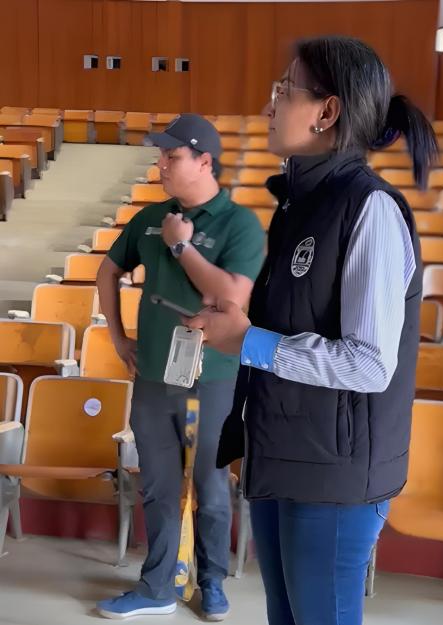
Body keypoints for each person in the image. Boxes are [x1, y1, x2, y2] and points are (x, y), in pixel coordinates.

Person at [185, 36, 438, 625]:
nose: (268, 106)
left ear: (327, 111)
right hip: (286, 452)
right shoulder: (298, 205)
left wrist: (247, 341)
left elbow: (370, 363)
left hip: (335, 473)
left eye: (283, 91)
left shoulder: (369, 208)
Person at [95, 113, 265, 621]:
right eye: (160, 156)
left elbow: (230, 296)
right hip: (153, 376)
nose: (162, 166)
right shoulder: (149, 217)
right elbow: (107, 272)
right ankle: (157, 586)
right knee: (159, 486)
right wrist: (118, 337)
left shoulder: (239, 224)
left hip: (212, 379)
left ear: (204, 161)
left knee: (211, 487)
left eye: (172, 157)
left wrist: (180, 246)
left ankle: (211, 582)